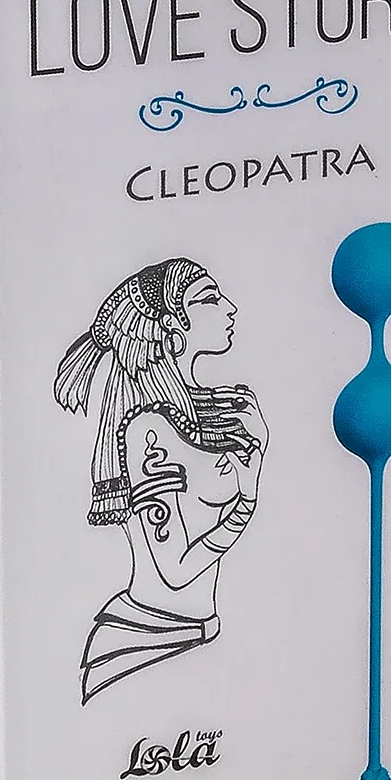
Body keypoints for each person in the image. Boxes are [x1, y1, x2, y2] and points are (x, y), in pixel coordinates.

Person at [55, 257, 267, 702]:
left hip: (199, 640)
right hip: (144, 644)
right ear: (171, 327)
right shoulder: (148, 431)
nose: (229, 308)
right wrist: (246, 502)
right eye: (208, 299)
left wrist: (258, 449)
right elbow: (175, 570)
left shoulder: (212, 411)